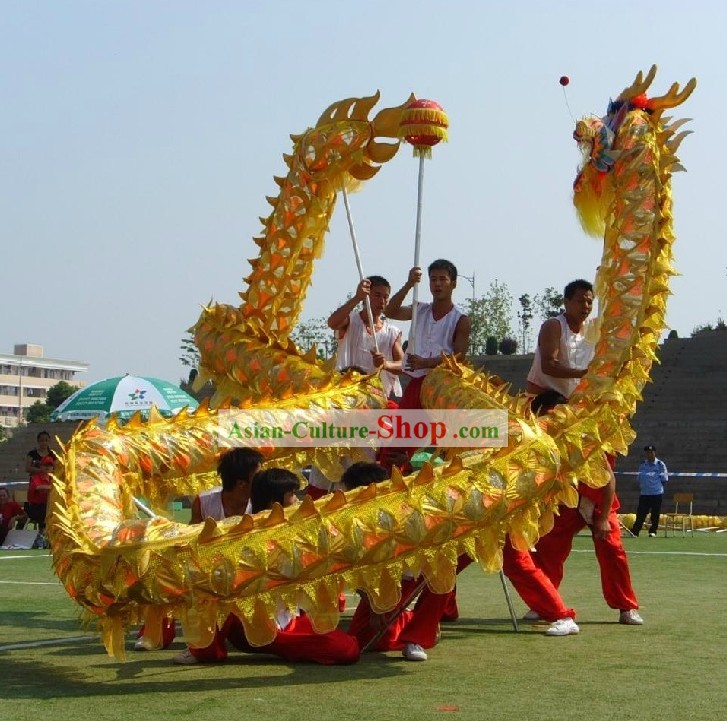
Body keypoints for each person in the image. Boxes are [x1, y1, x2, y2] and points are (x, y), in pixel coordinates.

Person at [174, 467, 359, 665]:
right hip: (254, 624)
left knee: (348, 647)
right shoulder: (242, 534)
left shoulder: (297, 530)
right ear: (274, 503)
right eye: (292, 495)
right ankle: (203, 649)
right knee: (217, 585)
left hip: (287, 618)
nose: (297, 500)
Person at [527, 391, 643, 626]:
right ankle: (545, 604)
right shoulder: (540, 439)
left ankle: (626, 607)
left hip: (598, 499)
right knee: (548, 548)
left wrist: (601, 519)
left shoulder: (585, 434)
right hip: (567, 502)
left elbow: (608, 480)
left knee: (612, 549)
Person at [135, 448, 264, 651]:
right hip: (209, 567)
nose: (263, 480)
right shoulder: (204, 502)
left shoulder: (263, 502)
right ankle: (154, 634)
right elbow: (192, 541)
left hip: (248, 569)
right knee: (164, 573)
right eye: (258, 476)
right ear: (241, 483)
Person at [385, 259, 471, 410]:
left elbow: (458, 358)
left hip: (444, 386)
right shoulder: (419, 310)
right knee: (404, 429)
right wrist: (409, 284)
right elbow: (390, 311)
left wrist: (426, 363)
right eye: (433, 279)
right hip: (418, 381)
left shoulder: (461, 319)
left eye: (443, 279)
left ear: (453, 284)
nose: (437, 284)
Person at [328, 276, 404, 399]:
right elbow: (332, 323)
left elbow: (403, 365)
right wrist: (357, 297)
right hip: (346, 394)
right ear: (366, 296)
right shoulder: (351, 321)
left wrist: (385, 364)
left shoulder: (392, 332)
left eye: (385, 297)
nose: (382, 301)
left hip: (377, 398)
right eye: (377, 295)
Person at [526, 279, 595, 398]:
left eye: (589, 302)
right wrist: (583, 374)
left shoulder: (594, 328)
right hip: (543, 401)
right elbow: (549, 365)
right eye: (580, 301)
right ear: (566, 302)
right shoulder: (554, 325)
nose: (585, 306)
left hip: (575, 404)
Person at [631, 444, 669, 537]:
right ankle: (635, 531)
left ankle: (653, 531)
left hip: (656, 493)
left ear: (654, 453)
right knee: (641, 513)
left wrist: (656, 487)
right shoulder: (643, 465)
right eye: (648, 453)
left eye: (651, 452)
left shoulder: (660, 464)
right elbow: (639, 477)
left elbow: (664, 479)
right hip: (644, 493)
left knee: (655, 513)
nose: (649, 454)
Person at [26, 455, 53, 537]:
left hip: (49, 506)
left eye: (50, 465)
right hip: (35, 507)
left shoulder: (54, 479)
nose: (47, 467)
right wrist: (54, 488)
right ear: (41, 466)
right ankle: (43, 535)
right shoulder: (35, 478)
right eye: (45, 465)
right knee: (45, 511)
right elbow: (39, 488)